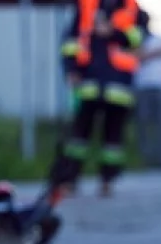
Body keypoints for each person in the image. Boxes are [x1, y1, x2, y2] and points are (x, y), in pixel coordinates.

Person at [52, 1, 149, 198]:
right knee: (78, 137)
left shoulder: (133, 9)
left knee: (112, 139)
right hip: (89, 82)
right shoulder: (86, 6)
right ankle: (69, 180)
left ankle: (107, 181)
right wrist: (71, 69)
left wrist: (112, 33)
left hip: (119, 85)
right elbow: (71, 41)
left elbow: (139, 37)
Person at [134, 29, 161, 168]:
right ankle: (146, 158)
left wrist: (146, 54)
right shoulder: (133, 38)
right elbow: (136, 56)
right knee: (143, 122)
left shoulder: (159, 38)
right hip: (142, 86)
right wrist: (152, 53)